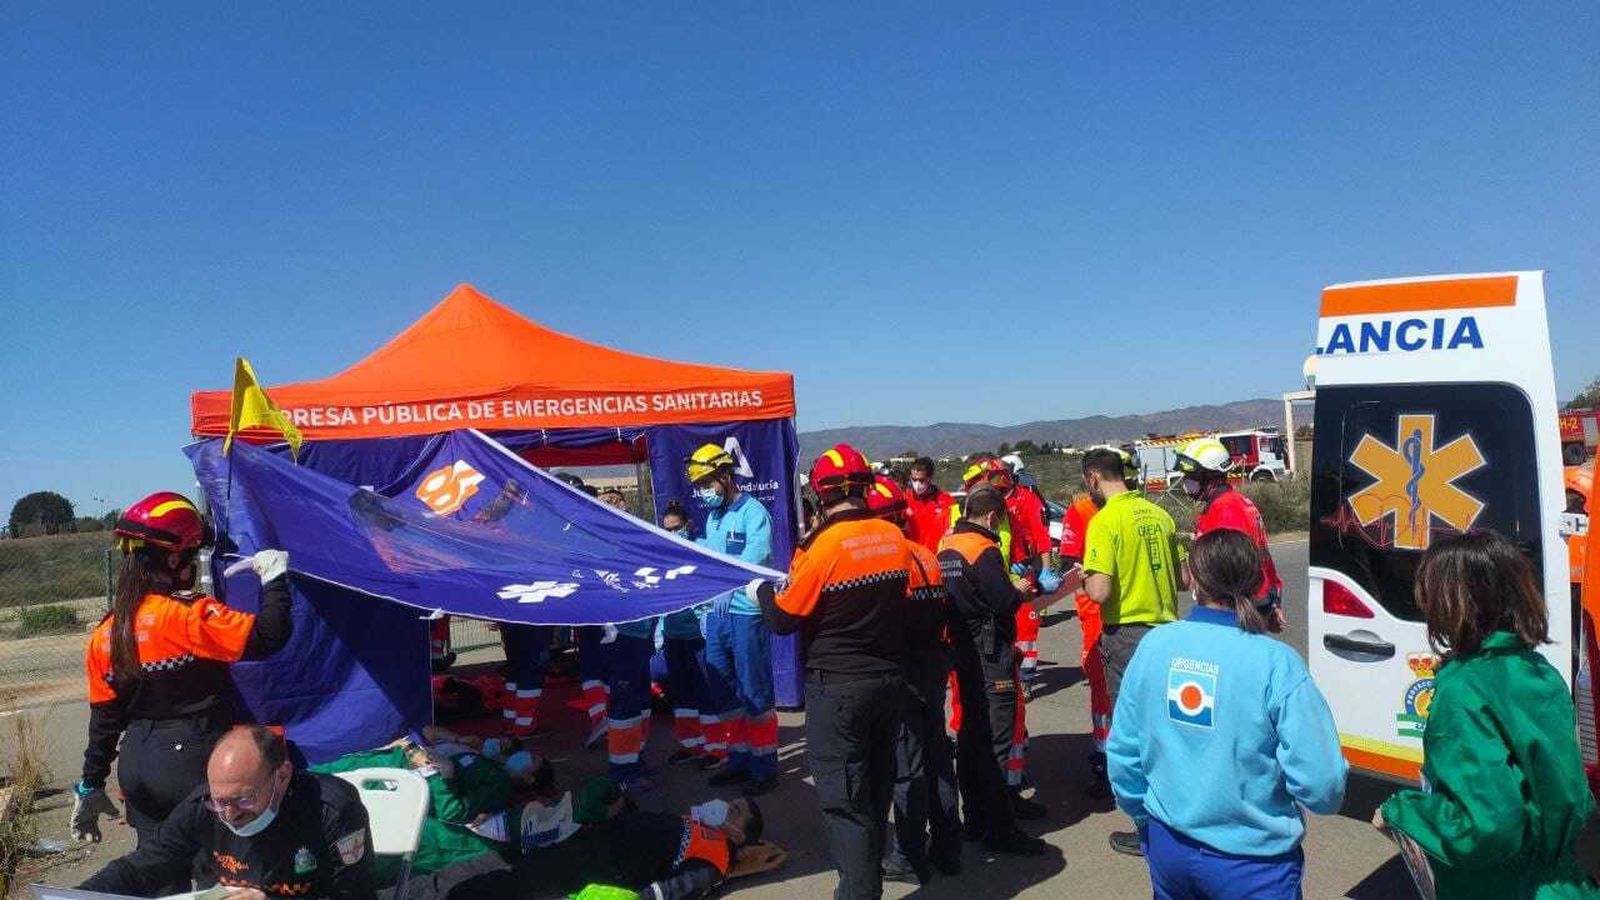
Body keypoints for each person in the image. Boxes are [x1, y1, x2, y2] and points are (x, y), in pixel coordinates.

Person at [1107, 529, 1347, 899]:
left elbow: (1123, 751)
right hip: (1253, 864)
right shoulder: (1275, 663)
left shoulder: (1155, 645)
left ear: (1195, 580)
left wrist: (1143, 818)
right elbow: (1322, 784)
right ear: (1255, 582)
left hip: (1170, 846)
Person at [72, 492, 295, 876]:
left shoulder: (105, 634)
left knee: (157, 871)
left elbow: (104, 722)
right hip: (193, 760)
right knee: (218, 872)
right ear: (173, 559)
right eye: (191, 556)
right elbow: (270, 635)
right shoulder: (187, 616)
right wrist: (275, 580)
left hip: (138, 764)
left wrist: (90, 783)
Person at [1375, 531, 1600, 898]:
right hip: (1564, 884)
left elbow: (1487, 825)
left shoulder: (1463, 688)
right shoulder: (1538, 670)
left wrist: (1403, 812)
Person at [754, 443, 912, 900]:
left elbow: (784, 619)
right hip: (888, 681)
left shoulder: (823, 548)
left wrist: (761, 591)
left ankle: (859, 892)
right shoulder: (893, 537)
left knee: (845, 802)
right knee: (877, 787)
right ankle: (872, 876)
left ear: (821, 495)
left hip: (838, 688)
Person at [80, 724, 376, 900]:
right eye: (220, 801)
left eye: (244, 799)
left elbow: (356, 896)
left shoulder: (331, 810)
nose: (230, 814)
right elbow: (143, 867)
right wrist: (79, 894)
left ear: (282, 776)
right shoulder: (203, 806)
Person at [940, 488, 1076, 856]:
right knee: (997, 741)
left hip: (962, 650)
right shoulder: (983, 549)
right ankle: (1000, 829)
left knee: (969, 736)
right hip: (989, 649)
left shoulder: (947, 544)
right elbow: (1001, 599)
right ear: (992, 517)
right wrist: (1024, 588)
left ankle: (974, 820)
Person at [399, 779, 768, 900]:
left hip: (592, 864)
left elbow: (672, 889)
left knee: (492, 881)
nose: (724, 808)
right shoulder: (693, 824)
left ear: (737, 833)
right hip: (584, 841)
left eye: (734, 811)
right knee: (490, 867)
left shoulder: (716, 856)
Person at [1079, 446, 1184, 857]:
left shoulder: (1105, 522)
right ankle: (1177, 816)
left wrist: (1086, 581)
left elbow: (1100, 590)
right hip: (1167, 631)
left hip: (1127, 637)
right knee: (1168, 730)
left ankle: (1148, 830)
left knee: (1134, 737)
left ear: (1092, 478)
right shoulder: (1160, 514)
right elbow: (1181, 579)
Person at [865, 477, 962, 885]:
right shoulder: (926, 555)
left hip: (904, 671)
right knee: (937, 756)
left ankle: (906, 854)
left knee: (908, 768)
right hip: (933, 664)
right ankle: (948, 846)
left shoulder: (884, 563)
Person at [685, 443, 778, 795]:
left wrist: (728, 588)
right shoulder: (714, 517)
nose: (705, 490)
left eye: (709, 481)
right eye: (701, 484)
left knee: (754, 690)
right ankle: (738, 758)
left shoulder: (754, 512)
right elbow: (712, 559)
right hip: (718, 614)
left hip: (746, 612)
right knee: (722, 685)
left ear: (726, 476)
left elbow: (754, 558)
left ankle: (765, 764)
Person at [1175, 437, 1285, 629]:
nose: (1186, 481)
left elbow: (1235, 567)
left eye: (1190, 475)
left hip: (1235, 609)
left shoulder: (1226, 511)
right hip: (1245, 603)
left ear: (1209, 477)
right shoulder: (1230, 504)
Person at [1059, 487, 1112, 796]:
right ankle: (1107, 757)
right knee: (1106, 691)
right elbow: (1069, 560)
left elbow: (1070, 563)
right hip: (1103, 612)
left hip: (1108, 611)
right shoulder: (1080, 511)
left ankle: (1108, 761)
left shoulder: (1087, 511)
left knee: (1107, 692)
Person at [659, 501, 713, 767]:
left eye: (676, 529)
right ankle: (690, 746)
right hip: (672, 637)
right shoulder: (660, 556)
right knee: (681, 696)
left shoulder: (702, 549)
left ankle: (715, 749)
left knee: (706, 692)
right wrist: (660, 635)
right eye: (666, 530)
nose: (671, 535)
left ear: (688, 525)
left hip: (698, 637)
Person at [903, 457, 956, 553]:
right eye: (914, 479)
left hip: (937, 558)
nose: (917, 484)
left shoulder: (947, 501)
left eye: (921, 480)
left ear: (930, 478)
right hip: (913, 558)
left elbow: (953, 532)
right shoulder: (904, 500)